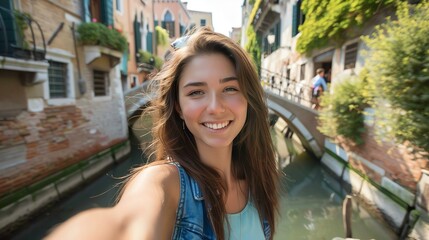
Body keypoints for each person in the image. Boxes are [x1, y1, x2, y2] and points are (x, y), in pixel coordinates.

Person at [46, 27, 279, 240]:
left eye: (230, 88)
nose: (215, 107)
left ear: (248, 98)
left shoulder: (258, 178)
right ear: (178, 106)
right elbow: (124, 224)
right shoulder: (166, 183)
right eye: (197, 92)